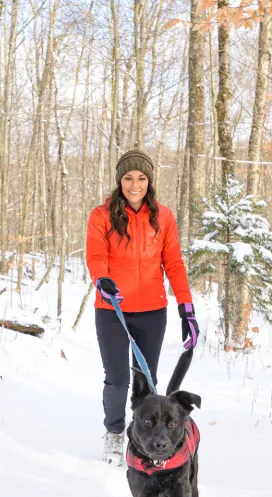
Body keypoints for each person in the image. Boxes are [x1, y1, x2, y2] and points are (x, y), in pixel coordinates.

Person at [85, 149, 199, 464]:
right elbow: (95, 256)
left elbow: (174, 264)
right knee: (118, 379)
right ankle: (114, 432)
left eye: (141, 178)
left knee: (146, 383)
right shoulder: (101, 215)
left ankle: (148, 439)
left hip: (152, 311)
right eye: (128, 178)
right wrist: (102, 280)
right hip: (112, 310)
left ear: (149, 181)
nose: (134, 185)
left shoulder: (163, 217)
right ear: (119, 180)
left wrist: (186, 309)